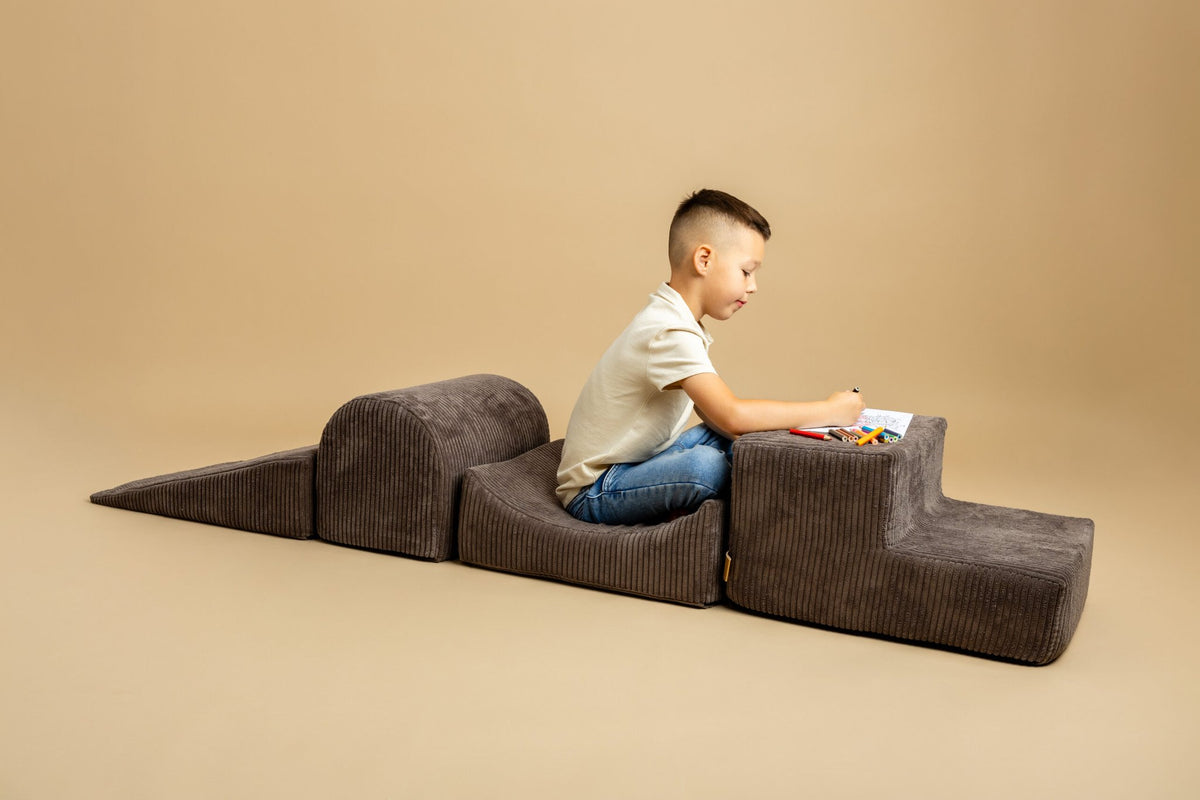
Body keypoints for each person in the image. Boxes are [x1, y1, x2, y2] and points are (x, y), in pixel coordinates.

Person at [556, 188, 866, 525]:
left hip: (639, 463)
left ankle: (741, 482)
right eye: (747, 272)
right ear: (704, 260)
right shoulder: (667, 332)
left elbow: (718, 418)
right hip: (595, 490)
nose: (753, 286)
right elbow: (732, 414)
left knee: (744, 436)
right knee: (706, 464)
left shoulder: (678, 321)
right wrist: (829, 411)